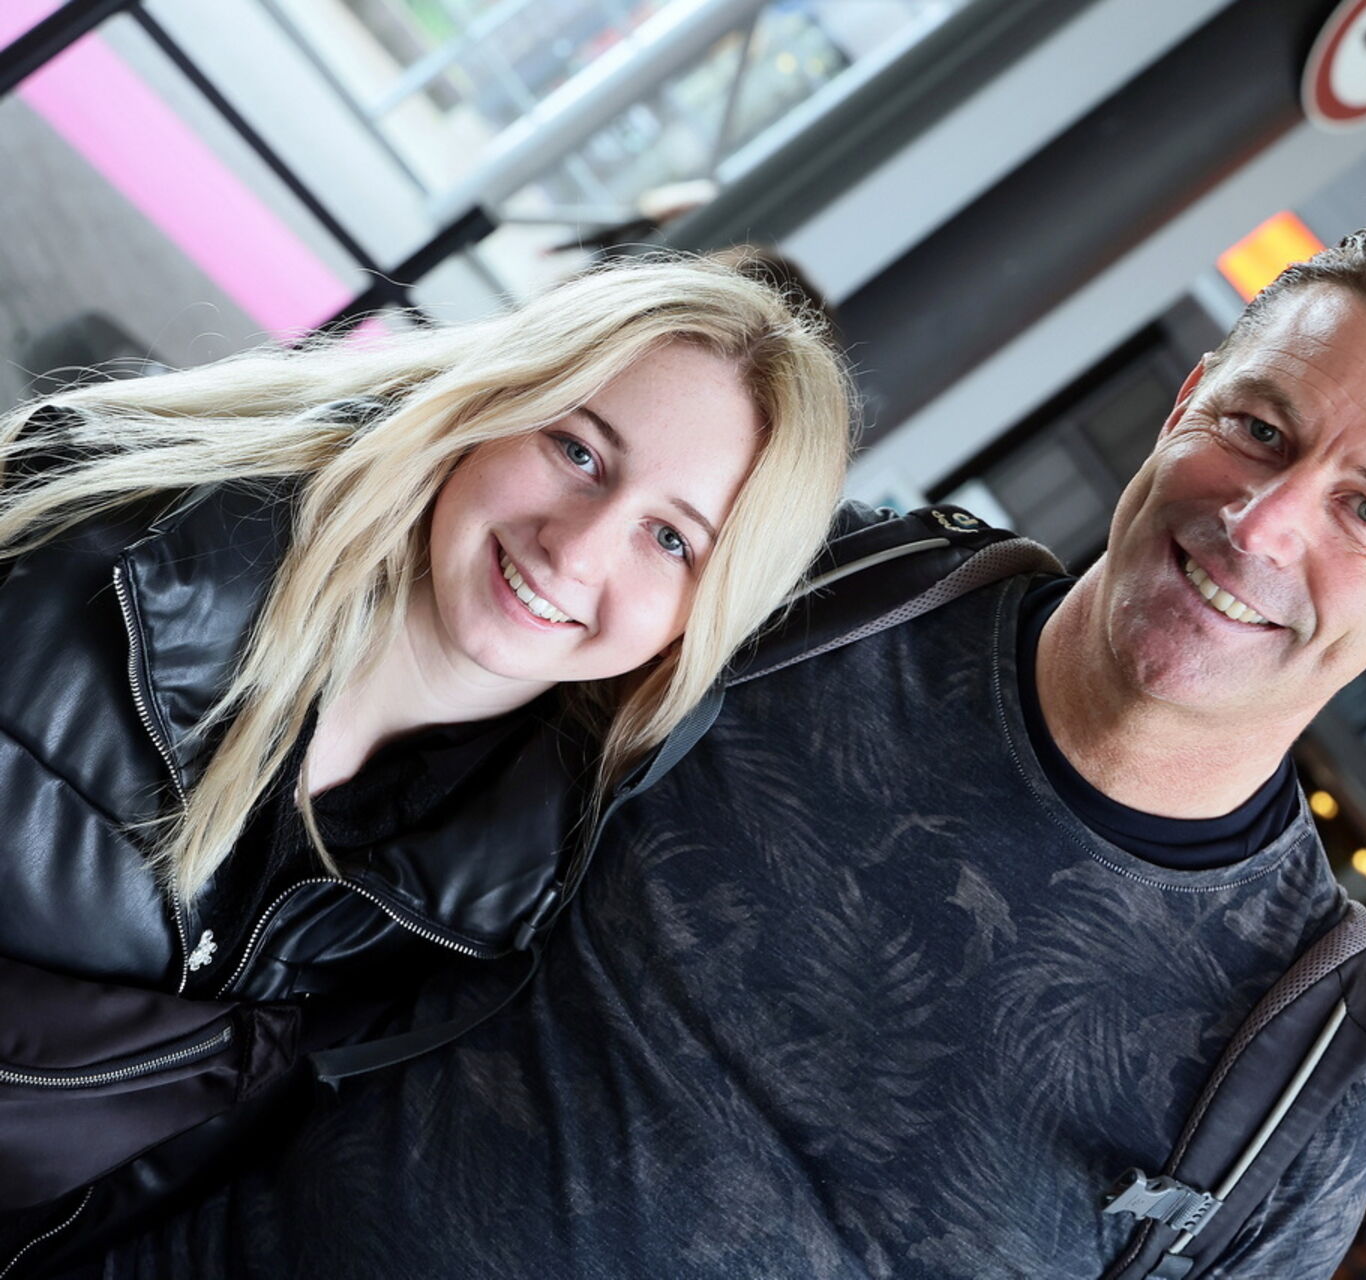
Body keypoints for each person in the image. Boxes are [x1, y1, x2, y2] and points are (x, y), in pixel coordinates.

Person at [109, 228, 1366, 1279]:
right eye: (1258, 428)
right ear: (1186, 403)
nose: (1262, 523)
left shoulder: (1284, 1103)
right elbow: (356, 683)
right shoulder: (817, 590)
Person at [0, 257, 852, 1264]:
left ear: (705, 617)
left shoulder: (522, 924)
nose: (577, 550)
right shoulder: (101, 519)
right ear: (495, 401)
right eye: (578, 450)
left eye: (671, 539)